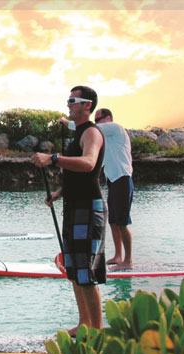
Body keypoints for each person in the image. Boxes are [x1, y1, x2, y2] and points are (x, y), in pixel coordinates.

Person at [32, 85, 107, 332]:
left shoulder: (92, 133)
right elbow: (76, 174)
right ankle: (84, 323)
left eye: (73, 100)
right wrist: (59, 192)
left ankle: (96, 330)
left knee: (86, 271)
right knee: (74, 269)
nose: (68, 103)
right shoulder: (78, 133)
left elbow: (88, 164)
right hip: (74, 205)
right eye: (68, 99)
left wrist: (53, 159)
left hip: (89, 206)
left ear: (87, 105)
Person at [59, 108, 134, 270]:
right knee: (113, 222)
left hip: (123, 179)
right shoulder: (105, 140)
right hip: (113, 181)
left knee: (121, 223)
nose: (97, 122)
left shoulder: (115, 128)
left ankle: (128, 261)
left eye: (99, 119)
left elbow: (86, 128)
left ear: (108, 118)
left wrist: (65, 122)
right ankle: (118, 256)